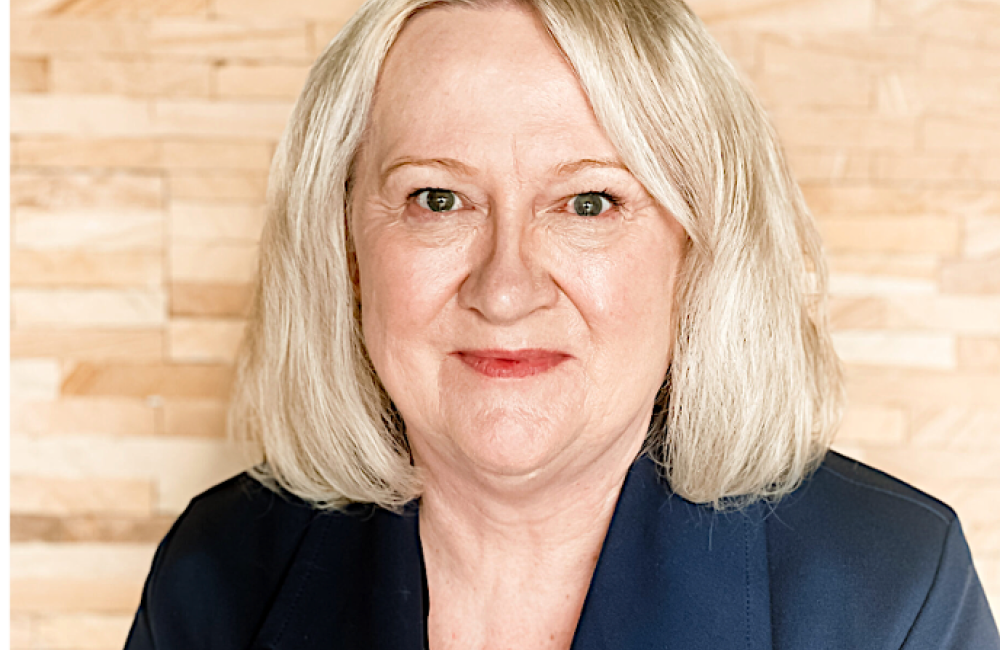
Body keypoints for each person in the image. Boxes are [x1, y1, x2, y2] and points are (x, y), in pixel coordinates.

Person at [124, 0, 1000, 648]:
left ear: (696, 252)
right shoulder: (214, 576)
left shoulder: (894, 594)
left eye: (588, 202)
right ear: (345, 249)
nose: (506, 290)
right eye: (437, 199)